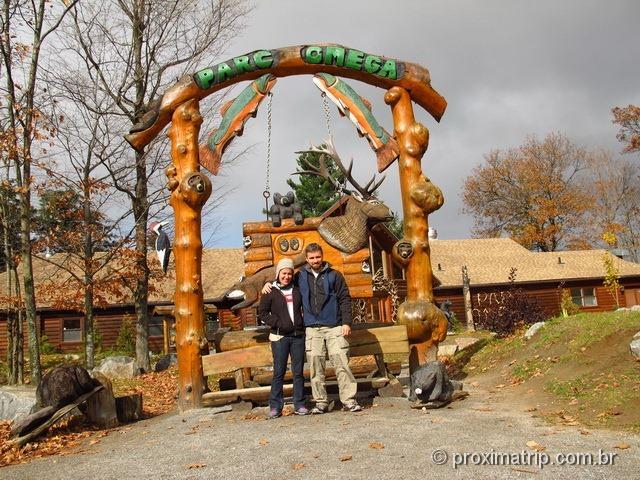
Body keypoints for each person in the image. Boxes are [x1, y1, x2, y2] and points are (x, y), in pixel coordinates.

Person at [263, 243, 361, 413]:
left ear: (322, 257)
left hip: (334, 327)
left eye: (318, 257)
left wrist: (346, 322)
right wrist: (268, 283)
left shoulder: (334, 275)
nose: (315, 260)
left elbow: (345, 298)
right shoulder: (300, 276)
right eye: (312, 258)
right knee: (316, 366)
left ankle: (349, 400)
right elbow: (282, 278)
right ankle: (321, 402)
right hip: (312, 328)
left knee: (341, 363)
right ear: (307, 259)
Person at [258, 258, 308, 419]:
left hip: (297, 337)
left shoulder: (297, 289)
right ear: (278, 274)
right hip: (279, 337)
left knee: (298, 372)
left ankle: (299, 404)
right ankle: (275, 406)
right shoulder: (269, 291)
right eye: (283, 273)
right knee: (278, 372)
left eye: (289, 273)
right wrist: (279, 323)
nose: (286, 276)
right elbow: (263, 313)